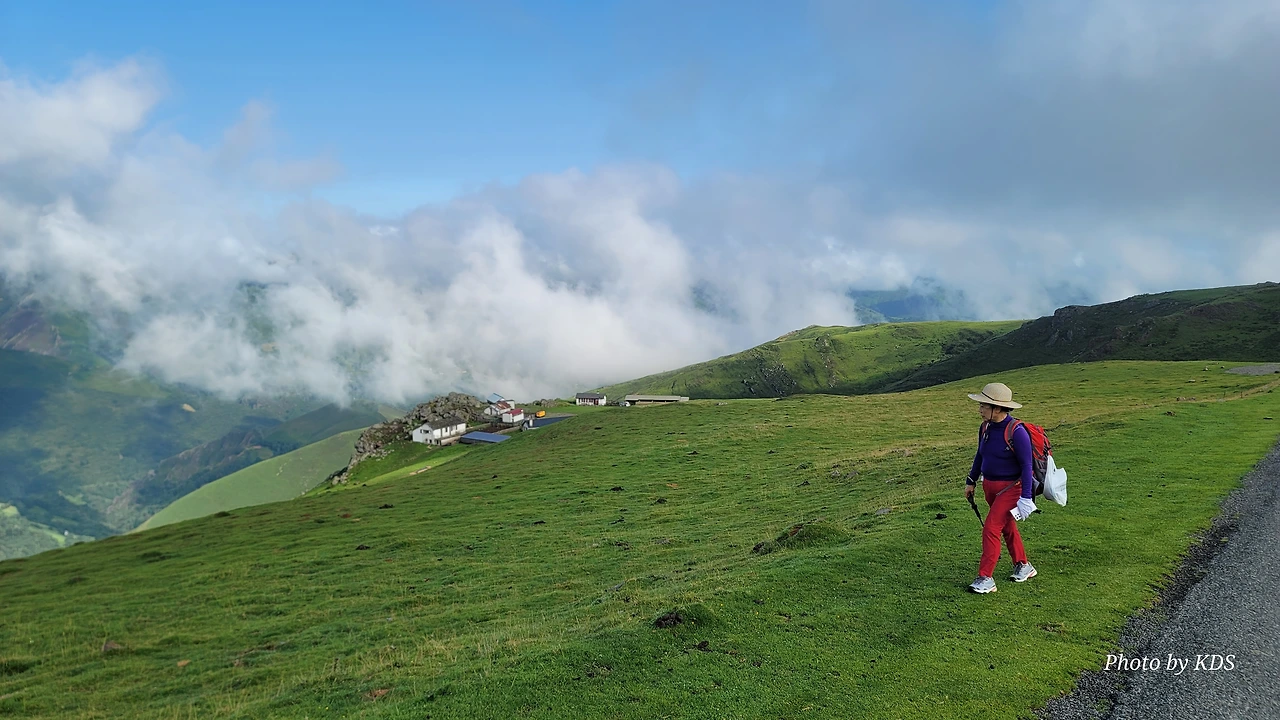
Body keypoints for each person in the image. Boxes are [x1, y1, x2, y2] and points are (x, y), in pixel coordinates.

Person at [964, 382, 1037, 594]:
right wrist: (971, 480)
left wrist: (1025, 498)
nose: (980, 409)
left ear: (997, 408)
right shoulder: (985, 427)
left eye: (983, 406)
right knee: (1006, 526)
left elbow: (1027, 466)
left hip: (1011, 489)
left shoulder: (1017, 432)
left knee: (991, 528)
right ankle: (1023, 565)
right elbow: (980, 455)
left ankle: (985, 577)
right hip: (990, 486)